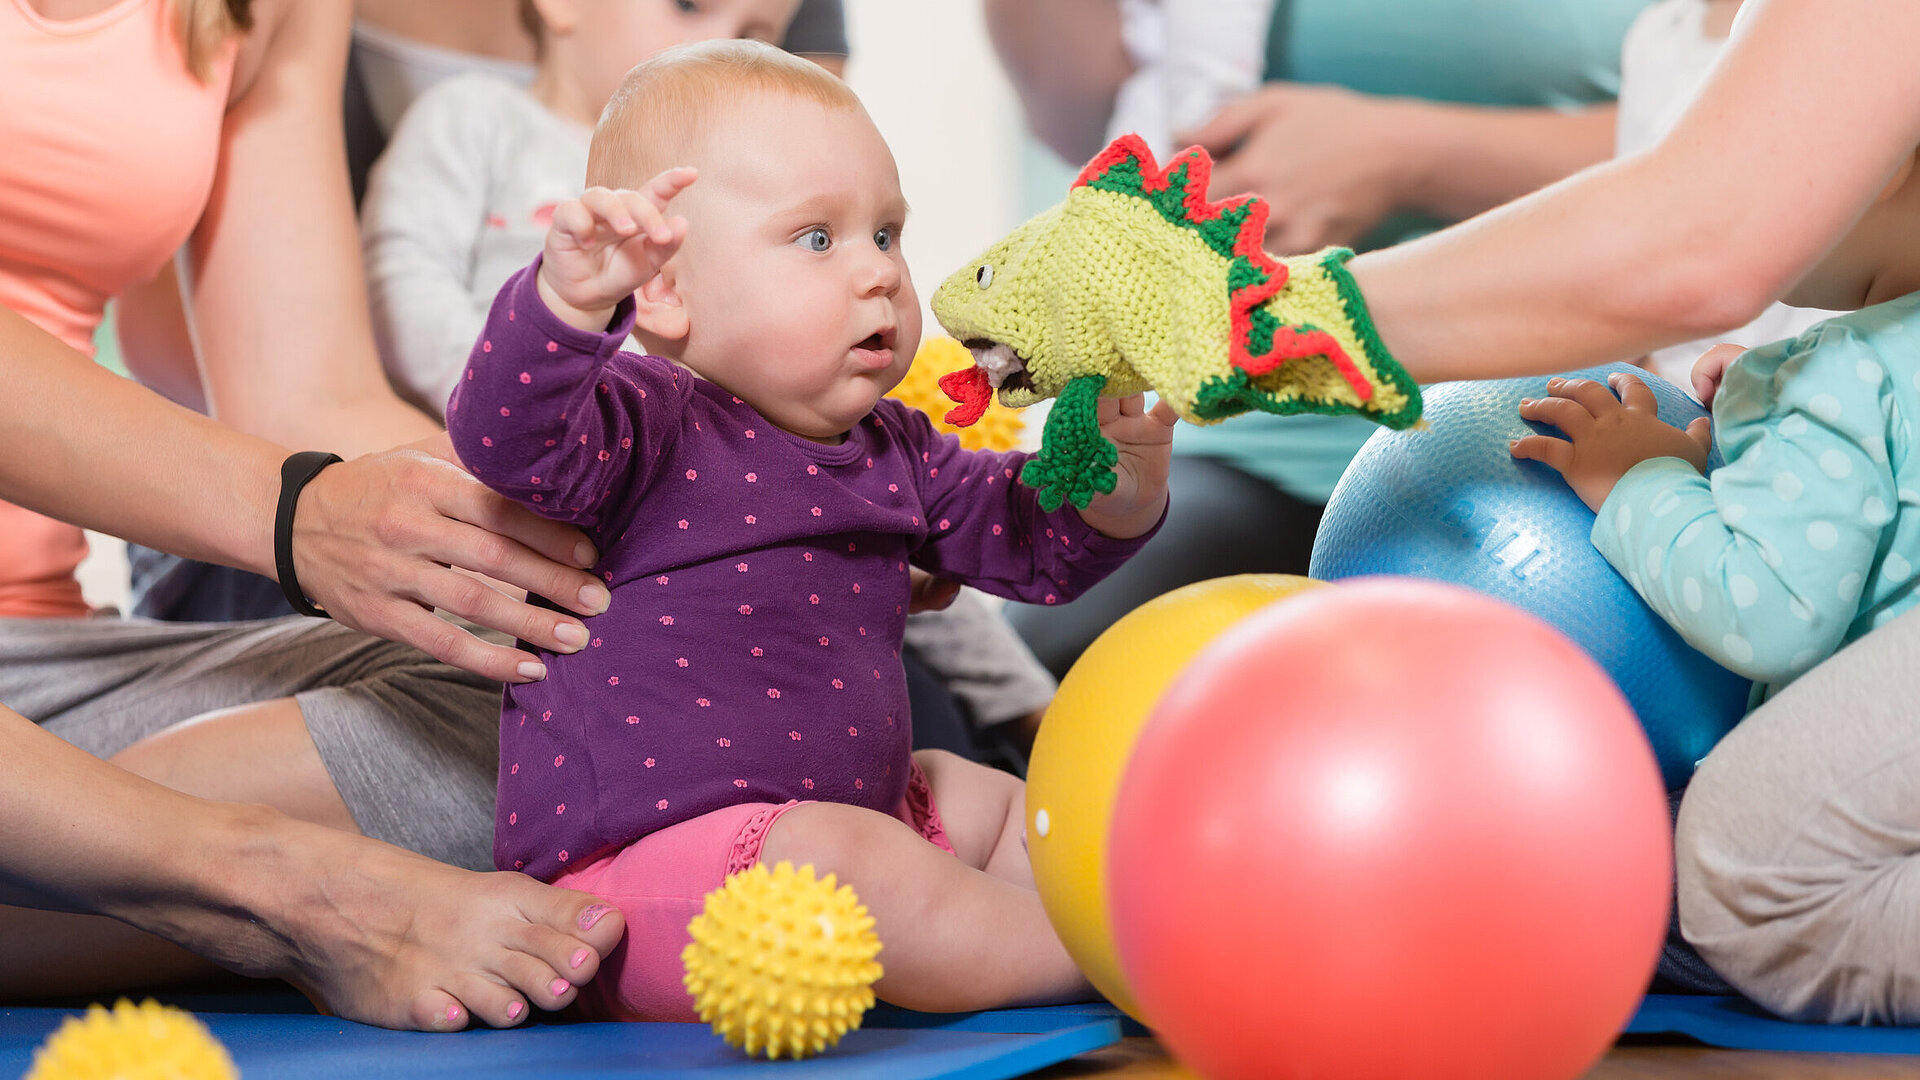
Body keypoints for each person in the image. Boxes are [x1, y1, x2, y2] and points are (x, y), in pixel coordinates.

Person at [445, 40, 1174, 1018]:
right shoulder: (635, 421)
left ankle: (1100, 907)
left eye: (888, 232)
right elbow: (502, 434)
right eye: (818, 240)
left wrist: (1115, 489)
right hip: (645, 887)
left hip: (854, 825)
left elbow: (1028, 543)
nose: (878, 274)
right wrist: (565, 305)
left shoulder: (894, 445)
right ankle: (1120, 949)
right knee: (847, 862)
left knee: (985, 795)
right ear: (660, 288)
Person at [0, 0, 637, 1028]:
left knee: (570, 699)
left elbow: (306, 397)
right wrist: (293, 514)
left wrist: (684, 513)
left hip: (42, 672)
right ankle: (266, 883)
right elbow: (300, 493)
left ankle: (74, 849)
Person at [358, 0, 1058, 767]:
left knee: (888, 525)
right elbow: (404, 287)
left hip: (761, 466)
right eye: (692, 5)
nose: (725, 38)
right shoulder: (476, 120)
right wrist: (561, 356)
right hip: (566, 471)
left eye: (760, 33)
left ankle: (1026, 710)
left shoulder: (774, 174)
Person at [984, 0, 1652, 679]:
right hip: (1245, 442)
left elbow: (1724, 170)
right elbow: (1094, 119)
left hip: (1557, 435)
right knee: (1068, 657)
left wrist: (1412, 159)